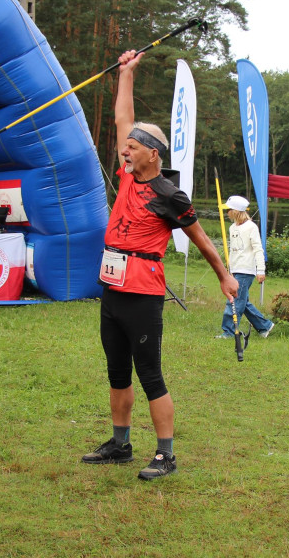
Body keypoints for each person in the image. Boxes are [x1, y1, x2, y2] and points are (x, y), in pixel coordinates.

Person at [82, 48, 239, 481]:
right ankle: (120, 443)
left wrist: (225, 275)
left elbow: (201, 238)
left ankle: (166, 455)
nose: (126, 152)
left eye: (133, 147)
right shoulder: (128, 178)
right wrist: (126, 73)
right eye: (126, 147)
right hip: (112, 289)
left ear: (152, 153)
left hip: (144, 296)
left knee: (149, 373)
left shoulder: (171, 196)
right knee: (116, 372)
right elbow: (121, 119)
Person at [217, 195, 276, 339]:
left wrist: (260, 270)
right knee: (244, 302)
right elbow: (232, 250)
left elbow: (258, 249)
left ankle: (229, 331)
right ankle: (265, 326)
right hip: (235, 270)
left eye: (229, 210)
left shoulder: (251, 227)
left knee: (235, 301)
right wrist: (229, 270)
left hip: (246, 270)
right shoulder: (232, 228)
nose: (227, 213)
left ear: (236, 211)